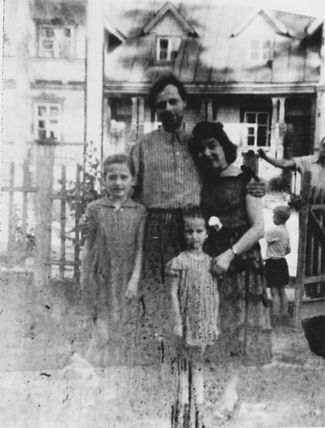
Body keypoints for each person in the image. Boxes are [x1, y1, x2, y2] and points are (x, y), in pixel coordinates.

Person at [130, 74, 266, 365]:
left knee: (194, 297)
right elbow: (129, 189)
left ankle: (189, 362)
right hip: (156, 227)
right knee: (158, 294)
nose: (168, 108)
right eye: (161, 104)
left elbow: (225, 172)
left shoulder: (198, 140)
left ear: (184, 102)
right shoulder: (143, 146)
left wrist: (255, 182)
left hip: (193, 228)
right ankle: (158, 363)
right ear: (156, 110)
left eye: (173, 101)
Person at [189, 121, 272, 419]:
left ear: (224, 146)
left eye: (212, 146)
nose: (207, 153)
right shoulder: (205, 181)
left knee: (237, 330)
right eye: (200, 150)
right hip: (211, 262)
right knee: (215, 327)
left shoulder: (248, 179)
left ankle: (229, 396)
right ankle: (209, 395)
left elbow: (259, 228)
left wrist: (229, 254)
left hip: (240, 262)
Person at [80, 154, 146, 366]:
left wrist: (134, 279)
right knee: (101, 334)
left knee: (120, 336)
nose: (118, 182)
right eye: (112, 177)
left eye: (123, 177)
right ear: (104, 180)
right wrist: (84, 274)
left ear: (132, 180)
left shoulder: (139, 211)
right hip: (100, 278)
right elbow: (88, 245)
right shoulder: (95, 209)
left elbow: (140, 249)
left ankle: (111, 386)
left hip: (125, 279)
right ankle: (84, 379)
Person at [167, 207, 219, 427]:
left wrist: (214, 323)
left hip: (203, 320)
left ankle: (199, 411)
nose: (194, 236)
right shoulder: (178, 262)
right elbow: (171, 294)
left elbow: (214, 294)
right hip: (186, 320)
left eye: (199, 231)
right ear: (183, 233)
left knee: (198, 363)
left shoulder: (211, 262)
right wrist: (177, 322)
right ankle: (181, 412)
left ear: (207, 233)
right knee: (183, 365)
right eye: (189, 231)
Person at [258, 137, 325, 191]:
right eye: (324, 145)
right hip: (307, 205)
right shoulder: (308, 161)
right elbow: (285, 163)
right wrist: (266, 158)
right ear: (320, 146)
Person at [264, 205, 291, 326]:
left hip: (273, 263)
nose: (272, 217)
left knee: (274, 292)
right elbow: (288, 250)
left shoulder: (275, 231)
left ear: (279, 218)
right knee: (282, 291)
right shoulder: (286, 232)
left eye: (274, 216)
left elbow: (264, 237)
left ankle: (275, 316)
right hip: (282, 262)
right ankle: (285, 313)